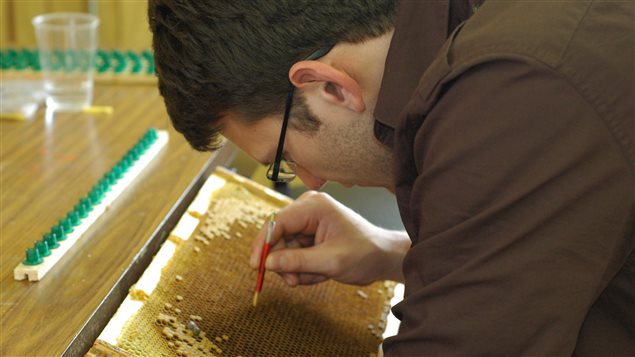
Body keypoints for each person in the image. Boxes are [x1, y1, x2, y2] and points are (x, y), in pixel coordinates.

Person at [148, 0, 634, 355]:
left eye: (286, 158)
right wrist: (393, 251)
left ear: (331, 87)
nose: (312, 182)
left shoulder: (514, 88)